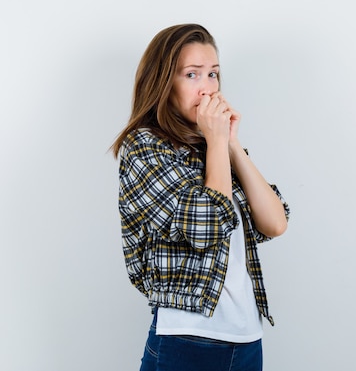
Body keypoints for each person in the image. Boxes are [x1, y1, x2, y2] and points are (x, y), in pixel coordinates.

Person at [111, 23, 290, 371]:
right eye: (192, 75)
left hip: (247, 337)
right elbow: (206, 227)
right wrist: (217, 144)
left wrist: (230, 143)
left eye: (213, 74)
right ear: (164, 82)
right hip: (187, 338)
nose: (207, 88)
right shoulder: (144, 148)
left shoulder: (213, 146)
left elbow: (275, 223)